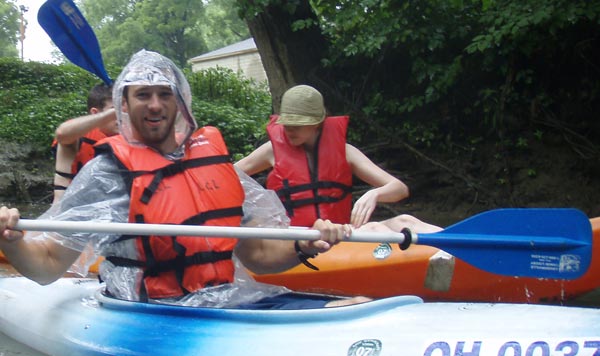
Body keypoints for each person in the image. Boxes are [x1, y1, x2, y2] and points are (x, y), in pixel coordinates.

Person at [0, 50, 368, 309]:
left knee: (356, 304)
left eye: (164, 94)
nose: (155, 104)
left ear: (180, 103)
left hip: (224, 300)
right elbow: (48, 264)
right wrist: (14, 242)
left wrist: (306, 245)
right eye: (142, 95)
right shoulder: (105, 175)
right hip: (148, 310)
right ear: (124, 105)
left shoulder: (214, 163)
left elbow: (257, 256)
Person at [235, 84, 441, 234]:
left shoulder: (346, 152)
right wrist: (253, 214)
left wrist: (375, 194)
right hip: (297, 241)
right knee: (376, 228)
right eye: (287, 123)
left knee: (406, 221)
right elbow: (225, 177)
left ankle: (458, 250)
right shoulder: (271, 150)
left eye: (297, 124)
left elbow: (399, 189)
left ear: (317, 123)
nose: (289, 129)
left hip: (339, 235)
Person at [51, 83, 118, 203]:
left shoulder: (136, 135)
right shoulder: (78, 134)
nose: (122, 116)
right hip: (75, 206)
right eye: (115, 110)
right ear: (96, 113)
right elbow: (62, 134)